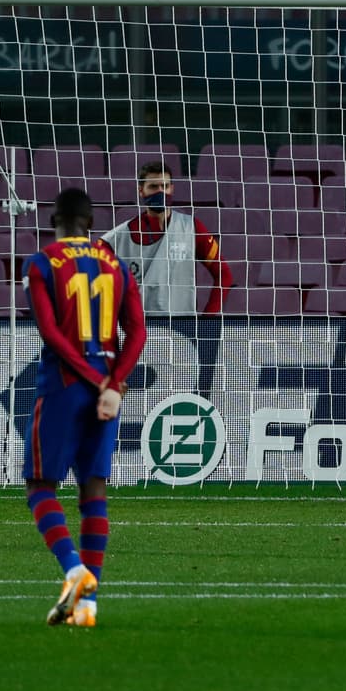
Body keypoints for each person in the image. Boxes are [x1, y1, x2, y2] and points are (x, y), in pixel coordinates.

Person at [23, 187, 148, 628]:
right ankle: (89, 607)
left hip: (64, 383)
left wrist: (93, 379)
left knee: (40, 485)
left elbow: (51, 334)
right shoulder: (116, 263)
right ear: (91, 223)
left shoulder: (41, 262)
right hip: (106, 384)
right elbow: (137, 331)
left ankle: (75, 572)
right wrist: (114, 382)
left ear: (54, 219)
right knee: (94, 489)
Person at [102, 160, 232, 315]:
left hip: (182, 327)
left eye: (165, 186)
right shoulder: (116, 237)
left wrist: (207, 319)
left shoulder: (192, 228)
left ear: (172, 189)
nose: (160, 192)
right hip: (139, 328)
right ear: (140, 191)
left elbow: (224, 275)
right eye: (153, 187)